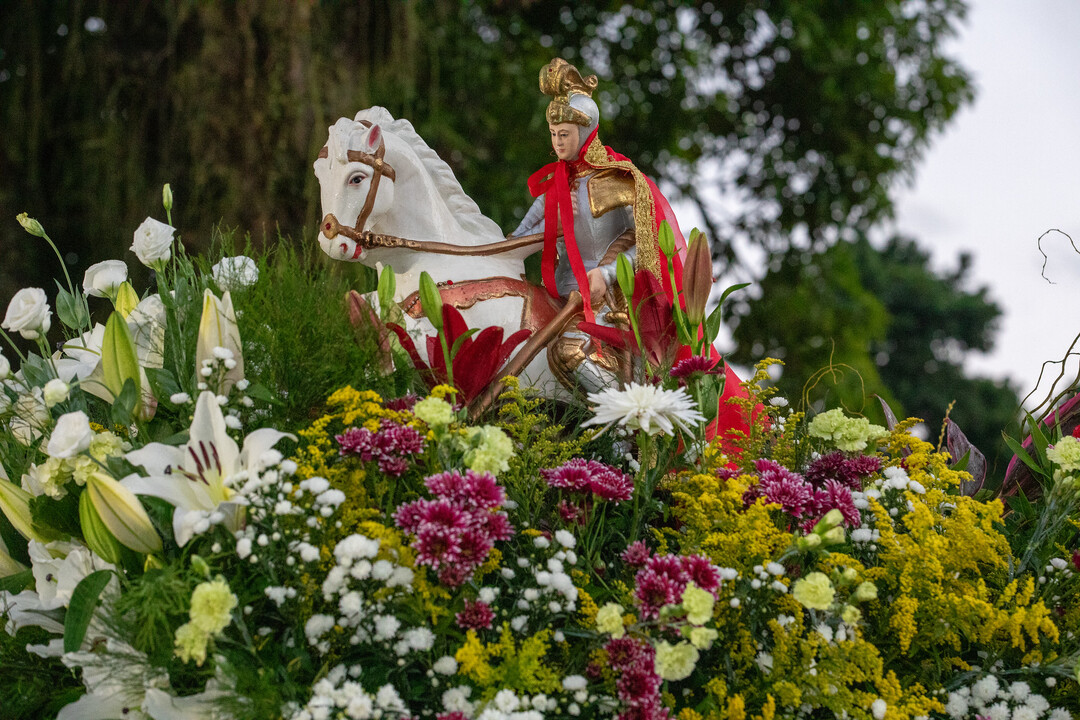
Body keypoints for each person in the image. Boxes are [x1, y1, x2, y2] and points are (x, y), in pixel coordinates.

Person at [509, 58, 687, 392]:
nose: (558, 143)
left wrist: (605, 274)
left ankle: (627, 429)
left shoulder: (620, 180)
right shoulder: (553, 188)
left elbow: (646, 242)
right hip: (557, 299)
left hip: (609, 305)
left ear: (585, 131)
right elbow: (518, 241)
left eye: (565, 134)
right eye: (553, 135)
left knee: (569, 352)